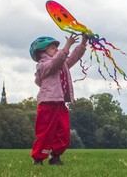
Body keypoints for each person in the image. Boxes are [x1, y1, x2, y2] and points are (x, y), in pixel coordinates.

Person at [29, 34, 88, 166]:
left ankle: (55, 156)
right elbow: (56, 61)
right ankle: (38, 158)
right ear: (41, 52)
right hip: (47, 103)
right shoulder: (43, 65)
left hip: (60, 103)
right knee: (45, 132)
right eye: (52, 47)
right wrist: (67, 45)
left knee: (64, 132)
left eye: (57, 47)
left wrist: (84, 42)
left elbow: (72, 57)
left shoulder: (61, 64)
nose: (56, 49)